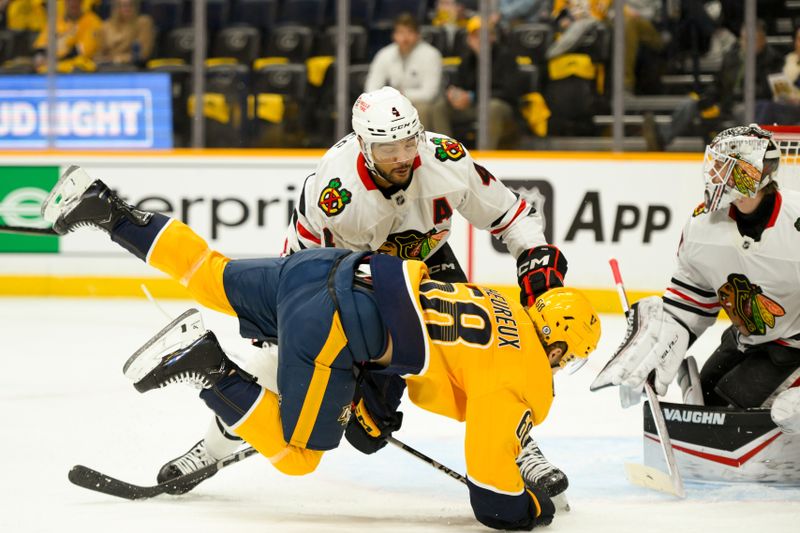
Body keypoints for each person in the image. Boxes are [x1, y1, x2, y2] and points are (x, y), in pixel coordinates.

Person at [42, 164, 602, 530]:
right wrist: (529, 507)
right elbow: (492, 492)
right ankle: (210, 369)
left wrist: (370, 398)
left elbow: (422, 336)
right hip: (337, 323)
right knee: (300, 454)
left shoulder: (487, 295)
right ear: (560, 351)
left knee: (208, 272)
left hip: (330, 266)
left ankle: (108, 210)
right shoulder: (521, 376)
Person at [159, 86, 573, 502]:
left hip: (428, 267)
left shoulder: (446, 159)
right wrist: (287, 329)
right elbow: (302, 276)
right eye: (387, 148)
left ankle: (522, 452)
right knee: (278, 367)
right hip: (354, 284)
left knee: (492, 354)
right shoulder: (335, 192)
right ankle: (210, 451)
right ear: (363, 144)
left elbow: (511, 214)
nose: (402, 157)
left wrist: (534, 255)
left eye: (409, 142)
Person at [591, 124, 800, 437]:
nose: (715, 176)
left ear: (756, 174)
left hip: (794, 346)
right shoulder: (703, 224)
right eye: (715, 166)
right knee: (708, 397)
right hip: (749, 339)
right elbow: (691, 299)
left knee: (738, 403)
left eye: (727, 168)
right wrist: (665, 337)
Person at [642, 19, 784, 151]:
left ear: (762, 40)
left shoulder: (773, 60)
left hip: (750, 107)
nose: (747, 44)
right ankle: (662, 137)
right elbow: (718, 84)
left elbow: (768, 91)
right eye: (744, 39)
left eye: (752, 40)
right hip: (724, 104)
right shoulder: (731, 57)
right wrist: (705, 98)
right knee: (690, 103)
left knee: (741, 111)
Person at [429, 16, 523, 149]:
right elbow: (458, 84)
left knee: (493, 107)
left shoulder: (506, 57)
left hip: (500, 106)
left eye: (483, 35)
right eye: (475, 36)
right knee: (440, 107)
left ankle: (487, 155)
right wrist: (454, 95)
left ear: (492, 37)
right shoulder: (467, 59)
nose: (479, 40)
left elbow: (510, 92)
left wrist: (473, 96)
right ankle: (448, 152)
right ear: (468, 39)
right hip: (473, 106)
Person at [364, 12, 443, 129]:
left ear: (418, 34)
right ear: (394, 35)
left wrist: (401, 95)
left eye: (409, 32)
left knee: (423, 109)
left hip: (422, 103)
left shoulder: (431, 55)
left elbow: (429, 93)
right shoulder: (384, 54)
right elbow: (371, 88)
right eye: (400, 32)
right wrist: (387, 99)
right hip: (392, 102)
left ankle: (421, 146)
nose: (405, 38)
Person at [31, 0, 101, 72]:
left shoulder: (93, 21)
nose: (73, 3)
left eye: (77, 1)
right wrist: (39, 57)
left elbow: (82, 50)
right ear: (64, 2)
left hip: (78, 70)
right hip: (51, 69)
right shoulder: (56, 21)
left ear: (82, 2)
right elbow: (41, 46)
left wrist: (53, 60)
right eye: (69, 1)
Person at [754, 26, 800, 126]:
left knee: (767, 108)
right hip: (782, 102)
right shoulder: (787, 59)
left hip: (797, 107)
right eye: (799, 39)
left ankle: (756, 137)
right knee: (759, 105)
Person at [94, 0, 154, 67]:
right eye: (124, 5)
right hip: (108, 68)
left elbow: (142, 54)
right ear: (116, 7)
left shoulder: (143, 23)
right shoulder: (106, 26)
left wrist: (117, 59)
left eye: (131, 5)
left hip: (133, 68)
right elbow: (99, 54)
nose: (127, 8)